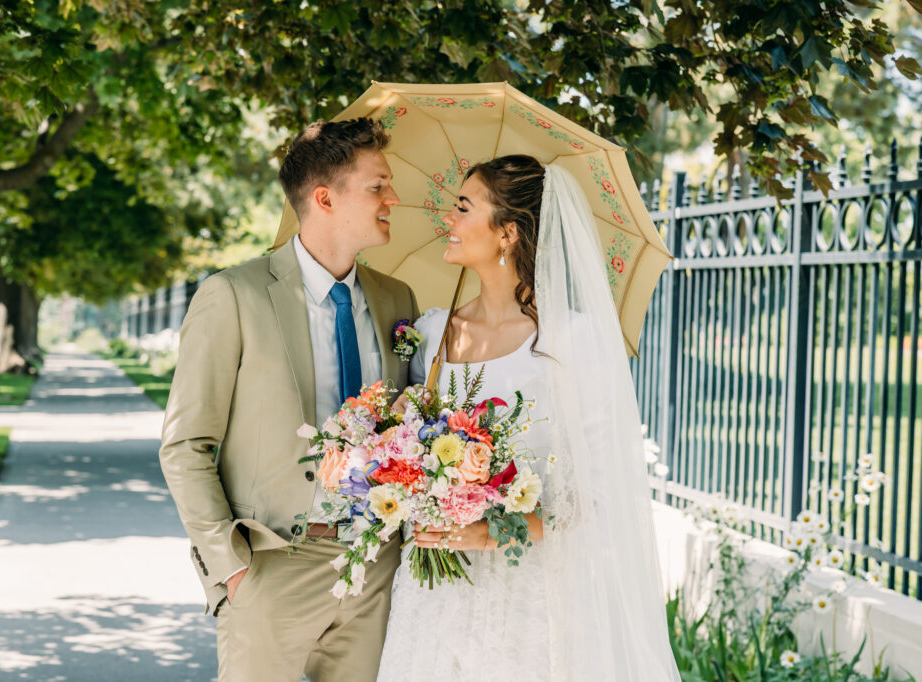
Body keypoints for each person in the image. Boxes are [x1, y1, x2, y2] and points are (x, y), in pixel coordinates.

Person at [377, 156, 681, 681]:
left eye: (463, 208)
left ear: (508, 232)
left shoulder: (570, 341)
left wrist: (492, 533)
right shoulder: (430, 334)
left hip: (530, 593)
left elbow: (600, 492)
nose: (447, 220)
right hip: (433, 597)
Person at [159, 117, 419, 682]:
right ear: (325, 198)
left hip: (375, 567)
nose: (393, 198)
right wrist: (229, 569)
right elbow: (185, 445)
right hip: (273, 567)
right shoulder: (232, 295)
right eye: (378, 186)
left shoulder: (399, 300)